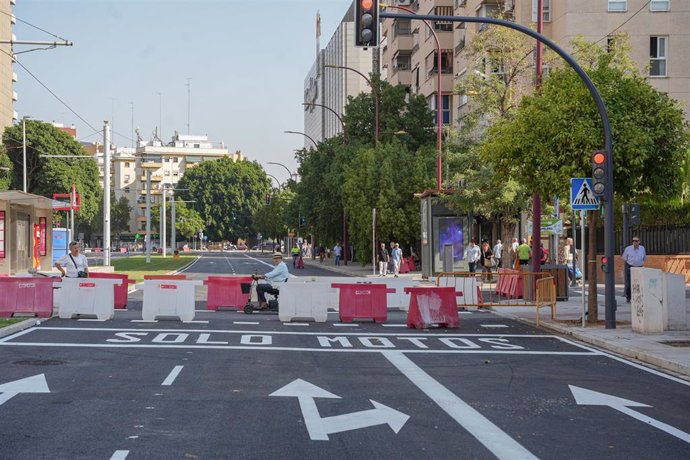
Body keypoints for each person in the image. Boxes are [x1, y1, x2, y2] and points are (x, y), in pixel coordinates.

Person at [622, 236, 646, 303]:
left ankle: (639, 296)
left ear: (639, 242)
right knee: (629, 283)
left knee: (640, 282)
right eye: (633, 241)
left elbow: (644, 258)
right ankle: (628, 297)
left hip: (640, 267)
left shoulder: (642, 248)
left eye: (636, 241)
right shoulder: (628, 249)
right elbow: (624, 258)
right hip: (630, 267)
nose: (634, 242)